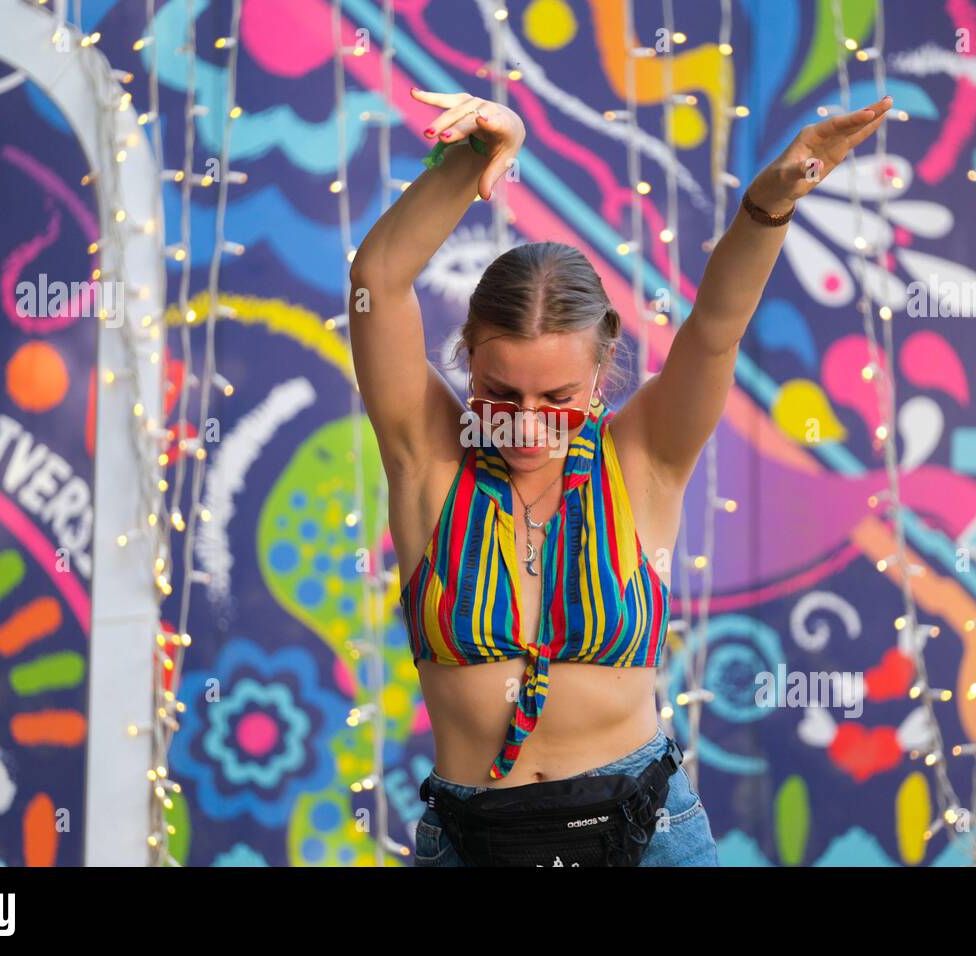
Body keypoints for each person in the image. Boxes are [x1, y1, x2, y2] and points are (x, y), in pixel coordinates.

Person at [348, 87, 892, 866]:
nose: (529, 421)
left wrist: (767, 208)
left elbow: (714, 331)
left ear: (601, 373)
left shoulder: (645, 457)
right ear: (466, 359)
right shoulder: (427, 459)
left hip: (649, 835)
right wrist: (472, 160)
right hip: (474, 840)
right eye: (501, 394)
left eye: (559, 398)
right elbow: (378, 277)